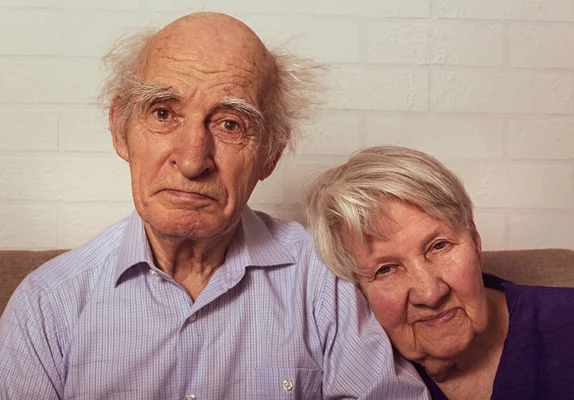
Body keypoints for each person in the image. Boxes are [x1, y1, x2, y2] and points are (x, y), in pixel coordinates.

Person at [0, 15, 429, 400]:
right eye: (164, 112)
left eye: (229, 124)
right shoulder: (46, 306)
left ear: (271, 154)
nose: (191, 160)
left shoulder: (323, 280)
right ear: (120, 129)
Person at [305, 145, 574, 400]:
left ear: (475, 241)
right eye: (386, 269)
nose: (430, 293)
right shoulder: (351, 367)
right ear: (356, 289)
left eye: (439, 246)